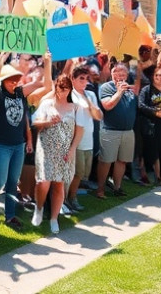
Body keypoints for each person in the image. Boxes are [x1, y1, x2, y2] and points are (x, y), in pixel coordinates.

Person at [0, 52, 49, 231]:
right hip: (0, 145)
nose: (14, 82)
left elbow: (43, 83)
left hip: (18, 145)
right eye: (10, 79)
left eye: (16, 79)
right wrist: (0, 62)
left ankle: (10, 215)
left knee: (13, 182)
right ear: (3, 81)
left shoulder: (20, 93)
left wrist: (46, 63)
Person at [30, 75, 85, 234]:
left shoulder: (75, 107)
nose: (62, 92)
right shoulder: (46, 104)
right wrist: (47, 122)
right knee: (43, 182)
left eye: (66, 89)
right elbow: (35, 123)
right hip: (46, 148)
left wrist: (72, 149)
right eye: (60, 89)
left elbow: (79, 131)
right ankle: (39, 208)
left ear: (70, 90)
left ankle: (54, 218)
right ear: (56, 88)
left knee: (59, 184)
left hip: (65, 151)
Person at [96, 63, 140, 198]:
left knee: (122, 161)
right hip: (110, 131)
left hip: (128, 131)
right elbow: (108, 105)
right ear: (112, 74)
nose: (121, 77)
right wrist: (119, 91)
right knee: (106, 161)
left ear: (127, 75)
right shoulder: (106, 87)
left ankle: (117, 187)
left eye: (123, 74)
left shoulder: (130, 89)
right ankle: (100, 190)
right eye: (118, 74)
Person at [66, 64, 102, 212]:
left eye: (86, 79)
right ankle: (70, 199)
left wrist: (88, 102)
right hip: (75, 141)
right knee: (77, 172)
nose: (84, 82)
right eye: (81, 78)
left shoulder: (91, 95)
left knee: (83, 174)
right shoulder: (70, 95)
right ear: (72, 79)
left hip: (89, 140)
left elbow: (99, 116)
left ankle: (71, 197)